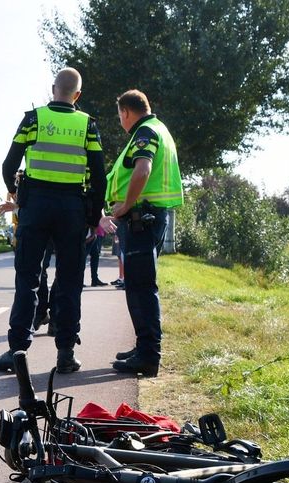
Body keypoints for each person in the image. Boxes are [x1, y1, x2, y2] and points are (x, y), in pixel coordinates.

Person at [0, 67, 107, 374]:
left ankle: (17, 352)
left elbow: (8, 164)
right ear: (77, 95)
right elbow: (99, 177)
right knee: (69, 281)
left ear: (53, 89)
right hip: (72, 209)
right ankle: (65, 353)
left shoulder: (33, 119)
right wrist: (93, 217)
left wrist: (17, 197)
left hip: (36, 206)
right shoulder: (87, 125)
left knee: (27, 279)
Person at [104, 89, 183, 377]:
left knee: (140, 289)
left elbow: (142, 169)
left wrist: (124, 204)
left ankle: (148, 355)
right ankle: (143, 347)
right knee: (139, 286)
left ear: (126, 112)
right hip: (148, 219)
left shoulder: (145, 132)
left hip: (141, 219)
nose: (120, 122)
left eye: (119, 116)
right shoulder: (159, 128)